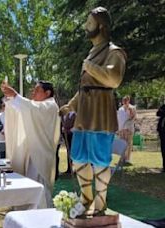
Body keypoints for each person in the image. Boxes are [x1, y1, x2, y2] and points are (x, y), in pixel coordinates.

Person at [59, 7, 126, 216]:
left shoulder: (114, 52)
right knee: (78, 158)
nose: (86, 26)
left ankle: (101, 203)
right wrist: (71, 105)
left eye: (90, 22)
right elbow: (84, 89)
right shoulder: (91, 55)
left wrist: (90, 66)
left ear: (102, 26)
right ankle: (86, 198)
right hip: (84, 118)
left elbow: (114, 79)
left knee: (100, 160)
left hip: (101, 116)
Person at [1, 81, 60, 208]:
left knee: (39, 185)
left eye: (37, 90)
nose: (33, 93)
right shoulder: (38, 105)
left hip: (41, 153)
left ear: (47, 93)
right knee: (29, 183)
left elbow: (31, 109)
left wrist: (16, 96)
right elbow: (23, 110)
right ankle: (28, 209)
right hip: (32, 152)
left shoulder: (50, 105)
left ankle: (42, 211)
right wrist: (11, 100)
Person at [117, 96, 136, 165]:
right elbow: (119, 119)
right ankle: (122, 158)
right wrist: (118, 129)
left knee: (128, 144)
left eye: (126, 100)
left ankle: (128, 159)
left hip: (129, 129)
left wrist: (130, 111)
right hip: (121, 129)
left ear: (128, 101)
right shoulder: (120, 109)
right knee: (122, 144)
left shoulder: (132, 107)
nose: (124, 102)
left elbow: (133, 118)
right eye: (123, 100)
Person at [157, 104, 165, 173]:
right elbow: (158, 113)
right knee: (163, 150)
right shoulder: (163, 106)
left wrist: (163, 112)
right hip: (162, 132)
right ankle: (164, 167)